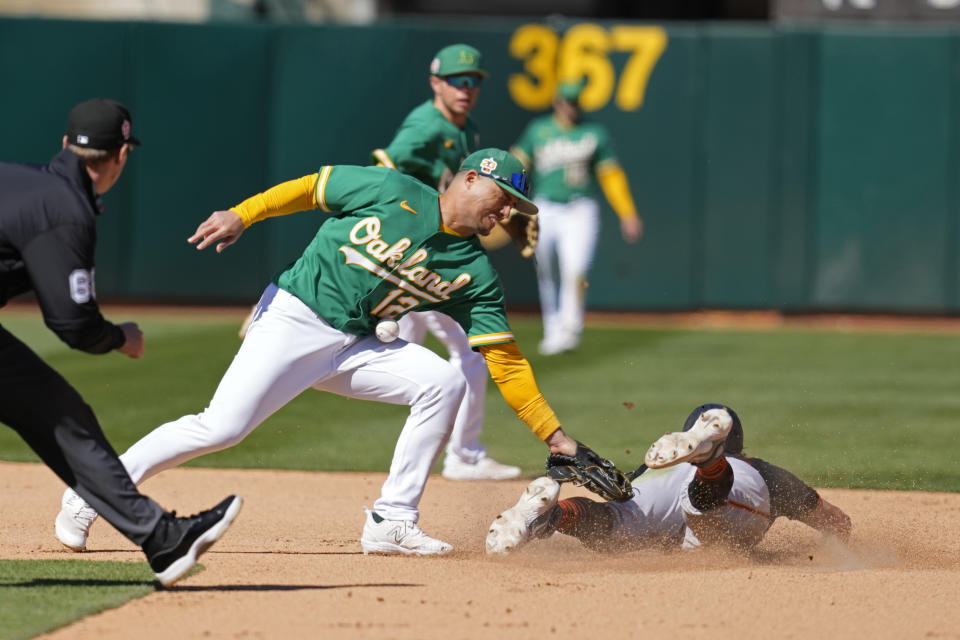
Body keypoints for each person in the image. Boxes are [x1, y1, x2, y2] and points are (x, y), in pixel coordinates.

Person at [56, 147, 615, 557]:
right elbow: (305, 189)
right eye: (504, 197)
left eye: (517, 205)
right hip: (295, 317)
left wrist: (557, 438)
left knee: (443, 382)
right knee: (220, 428)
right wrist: (242, 214)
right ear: (471, 179)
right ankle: (92, 494)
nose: (508, 213)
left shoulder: (475, 273)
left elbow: (507, 363)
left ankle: (391, 520)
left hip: (358, 345)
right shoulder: (388, 188)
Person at [1, 98, 241, 587]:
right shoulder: (64, 208)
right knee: (56, 412)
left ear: (67, 143)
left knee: (57, 411)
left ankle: (162, 537)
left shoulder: (24, 180)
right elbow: (71, 324)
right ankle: (161, 537)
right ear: (121, 156)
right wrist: (119, 337)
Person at [369, 43, 523, 481]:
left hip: (432, 250)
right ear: (436, 82)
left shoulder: (468, 128)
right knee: (470, 353)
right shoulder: (425, 124)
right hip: (418, 250)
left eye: (474, 81)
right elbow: (381, 172)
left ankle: (439, 457)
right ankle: (464, 455)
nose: (466, 88)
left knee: (409, 350)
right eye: (458, 80)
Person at [486, 403, 851, 555]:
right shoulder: (764, 471)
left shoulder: (659, 463)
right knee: (711, 513)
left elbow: (618, 501)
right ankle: (710, 462)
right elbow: (836, 522)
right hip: (737, 481)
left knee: (613, 526)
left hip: (658, 476)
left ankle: (552, 515)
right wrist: (835, 545)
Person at [510, 80, 644, 356]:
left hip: (580, 207)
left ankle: (570, 329)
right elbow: (517, 163)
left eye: (574, 102)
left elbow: (611, 175)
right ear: (557, 102)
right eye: (566, 102)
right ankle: (553, 330)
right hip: (545, 206)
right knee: (546, 268)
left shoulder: (593, 133)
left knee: (576, 267)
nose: (571, 107)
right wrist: (508, 198)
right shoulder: (539, 130)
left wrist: (627, 212)